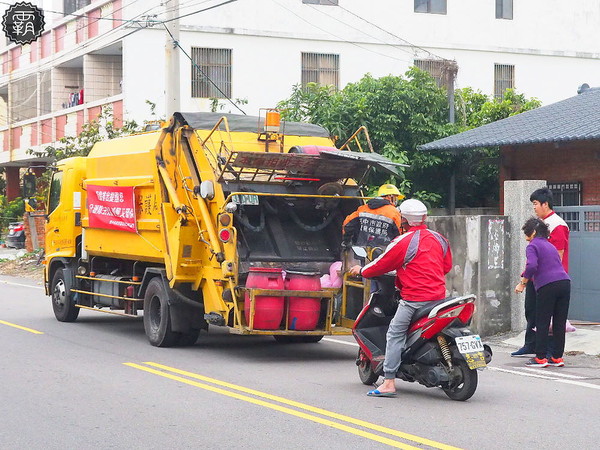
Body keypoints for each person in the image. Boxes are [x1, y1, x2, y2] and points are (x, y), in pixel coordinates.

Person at [349, 199, 452, 397]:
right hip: (439, 297)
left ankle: (388, 382)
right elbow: (445, 266)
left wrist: (362, 269)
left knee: (394, 333)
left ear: (403, 220)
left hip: (414, 300)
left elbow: (381, 264)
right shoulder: (439, 239)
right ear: (424, 218)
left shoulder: (403, 241)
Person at [512, 187, 570, 357]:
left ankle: (549, 352)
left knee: (549, 318)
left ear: (545, 204)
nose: (534, 208)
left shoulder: (558, 225)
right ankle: (531, 344)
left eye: (536, 204)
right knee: (531, 310)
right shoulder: (540, 225)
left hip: (549, 280)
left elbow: (558, 256)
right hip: (536, 276)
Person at [342, 184, 404, 248]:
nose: (396, 200)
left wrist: (347, 241)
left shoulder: (363, 209)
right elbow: (400, 235)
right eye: (396, 197)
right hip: (384, 252)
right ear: (390, 196)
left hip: (362, 251)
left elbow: (347, 225)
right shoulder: (394, 212)